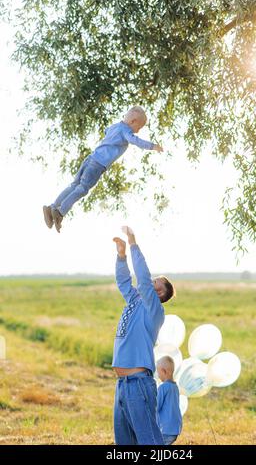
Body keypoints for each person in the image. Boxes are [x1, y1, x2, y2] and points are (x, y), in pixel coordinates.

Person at [43, 106, 163, 232]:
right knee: (82, 189)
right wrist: (153, 146)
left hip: (90, 159)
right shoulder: (126, 131)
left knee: (73, 186)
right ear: (133, 121)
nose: (137, 131)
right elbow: (135, 140)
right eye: (139, 128)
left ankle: (52, 207)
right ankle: (60, 213)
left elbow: (106, 131)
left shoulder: (115, 126)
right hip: (98, 165)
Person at [112, 226, 175, 445]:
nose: (149, 283)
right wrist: (121, 257)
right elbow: (123, 282)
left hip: (138, 384)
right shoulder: (135, 300)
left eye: (155, 283)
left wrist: (133, 243)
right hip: (122, 384)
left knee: (150, 443)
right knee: (125, 444)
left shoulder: (155, 310)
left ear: (159, 293)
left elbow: (143, 278)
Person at [156, 356, 182, 445]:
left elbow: (156, 406)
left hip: (165, 429)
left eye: (158, 372)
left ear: (164, 371)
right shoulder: (175, 387)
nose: (158, 375)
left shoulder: (162, 388)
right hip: (175, 428)